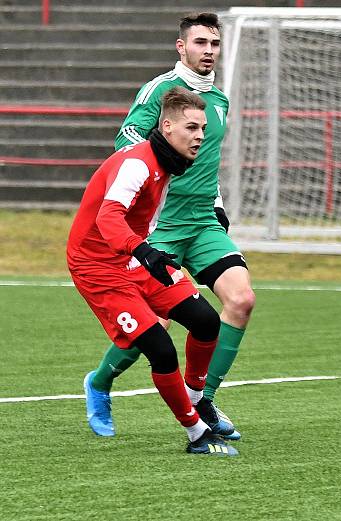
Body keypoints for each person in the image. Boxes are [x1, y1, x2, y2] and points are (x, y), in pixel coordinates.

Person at [83, 12, 255, 440]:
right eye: (200, 43)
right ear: (182, 47)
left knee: (242, 300)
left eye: (214, 43)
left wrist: (216, 202)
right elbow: (126, 138)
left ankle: (204, 399)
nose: (209, 51)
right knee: (155, 325)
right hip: (161, 225)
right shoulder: (160, 91)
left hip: (202, 221)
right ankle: (99, 382)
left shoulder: (219, 101)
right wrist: (160, 171)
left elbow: (208, 161)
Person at [69, 87, 237, 456]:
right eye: (192, 127)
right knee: (160, 349)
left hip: (133, 256)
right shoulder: (139, 163)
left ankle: (196, 398)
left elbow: (142, 218)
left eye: (203, 128)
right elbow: (107, 216)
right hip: (97, 266)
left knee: (206, 321)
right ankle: (196, 433)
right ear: (166, 126)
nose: (199, 136)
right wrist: (144, 251)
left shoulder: (169, 164)